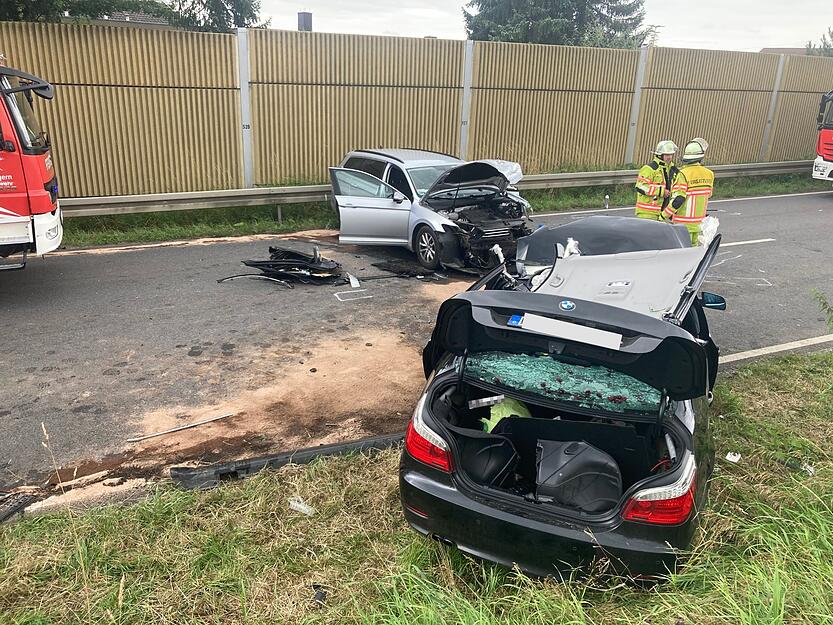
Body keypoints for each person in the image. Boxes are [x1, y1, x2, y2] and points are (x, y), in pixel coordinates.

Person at [664, 138, 713, 245]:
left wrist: (663, 215)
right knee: (694, 252)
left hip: (683, 223)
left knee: (683, 253)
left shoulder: (683, 174)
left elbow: (678, 199)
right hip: (699, 222)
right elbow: (709, 194)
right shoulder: (709, 174)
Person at [635, 141, 684, 221]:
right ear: (660, 155)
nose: (669, 157)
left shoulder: (674, 170)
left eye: (671, 154)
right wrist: (661, 191)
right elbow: (640, 186)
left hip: (664, 214)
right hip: (647, 213)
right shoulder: (649, 168)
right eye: (667, 155)